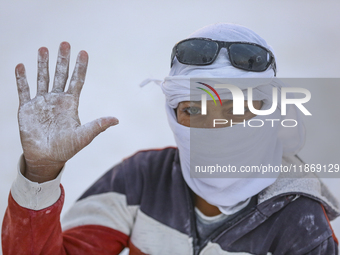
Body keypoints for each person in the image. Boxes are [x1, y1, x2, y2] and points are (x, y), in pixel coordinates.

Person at [2, 23, 339, 255]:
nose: (215, 130)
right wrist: (40, 174)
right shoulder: (143, 178)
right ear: (174, 116)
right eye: (194, 111)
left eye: (235, 111)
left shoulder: (300, 221)